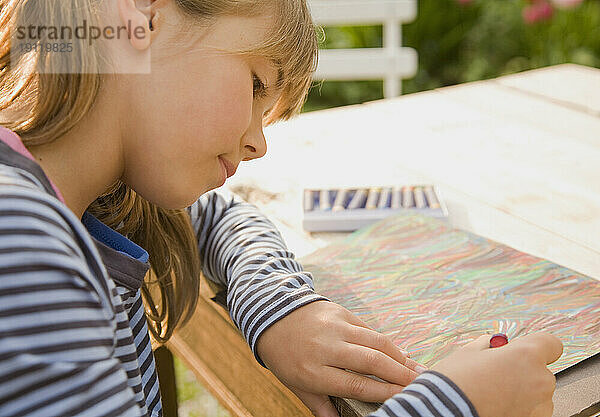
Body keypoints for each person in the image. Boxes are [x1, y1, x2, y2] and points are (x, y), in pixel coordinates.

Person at [0, 0, 562, 416]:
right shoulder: (22, 242)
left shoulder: (87, 197)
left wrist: (281, 310)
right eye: (254, 87)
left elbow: (219, 218)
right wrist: (453, 405)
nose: (258, 143)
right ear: (143, 16)